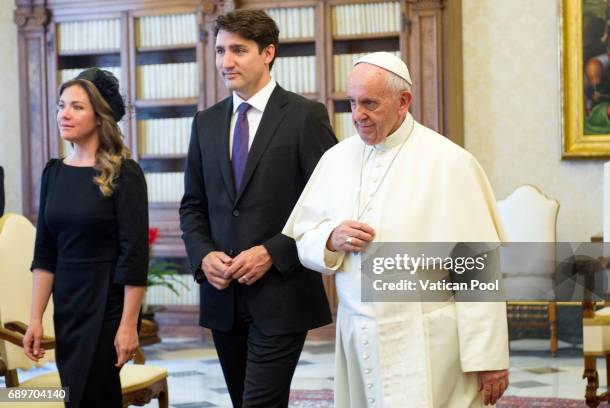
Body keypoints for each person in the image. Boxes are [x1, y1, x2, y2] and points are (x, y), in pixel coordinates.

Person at [283, 52, 510, 407]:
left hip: (428, 336)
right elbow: (304, 235)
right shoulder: (336, 159)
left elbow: (478, 269)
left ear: (403, 101)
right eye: (353, 102)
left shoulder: (450, 162)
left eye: (370, 103)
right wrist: (331, 237)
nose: (358, 115)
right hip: (358, 334)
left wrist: (489, 359)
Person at [179, 9, 336, 408]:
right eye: (219, 50)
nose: (225, 61)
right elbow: (193, 206)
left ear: (268, 53)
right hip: (222, 297)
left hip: (282, 294)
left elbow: (328, 204)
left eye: (238, 50)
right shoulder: (205, 123)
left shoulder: (305, 117)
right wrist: (203, 256)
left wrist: (272, 251)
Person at [24, 68, 148, 408]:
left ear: (100, 116)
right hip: (68, 309)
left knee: (92, 397)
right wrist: (36, 318)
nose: (64, 113)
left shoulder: (126, 174)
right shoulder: (54, 171)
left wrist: (128, 326)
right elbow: (45, 253)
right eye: (61, 105)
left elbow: (135, 258)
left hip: (107, 308)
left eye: (77, 107)